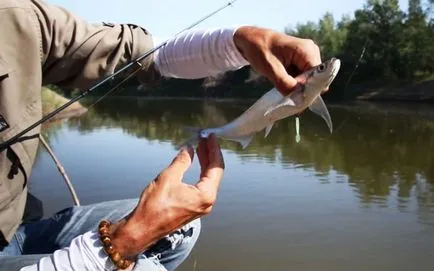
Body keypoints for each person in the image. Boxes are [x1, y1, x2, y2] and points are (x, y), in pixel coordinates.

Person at [0, 0, 323, 270]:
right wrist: (116, 249)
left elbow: (144, 55)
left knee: (181, 227)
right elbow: (121, 248)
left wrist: (240, 41)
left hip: (16, 224)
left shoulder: (16, 17)